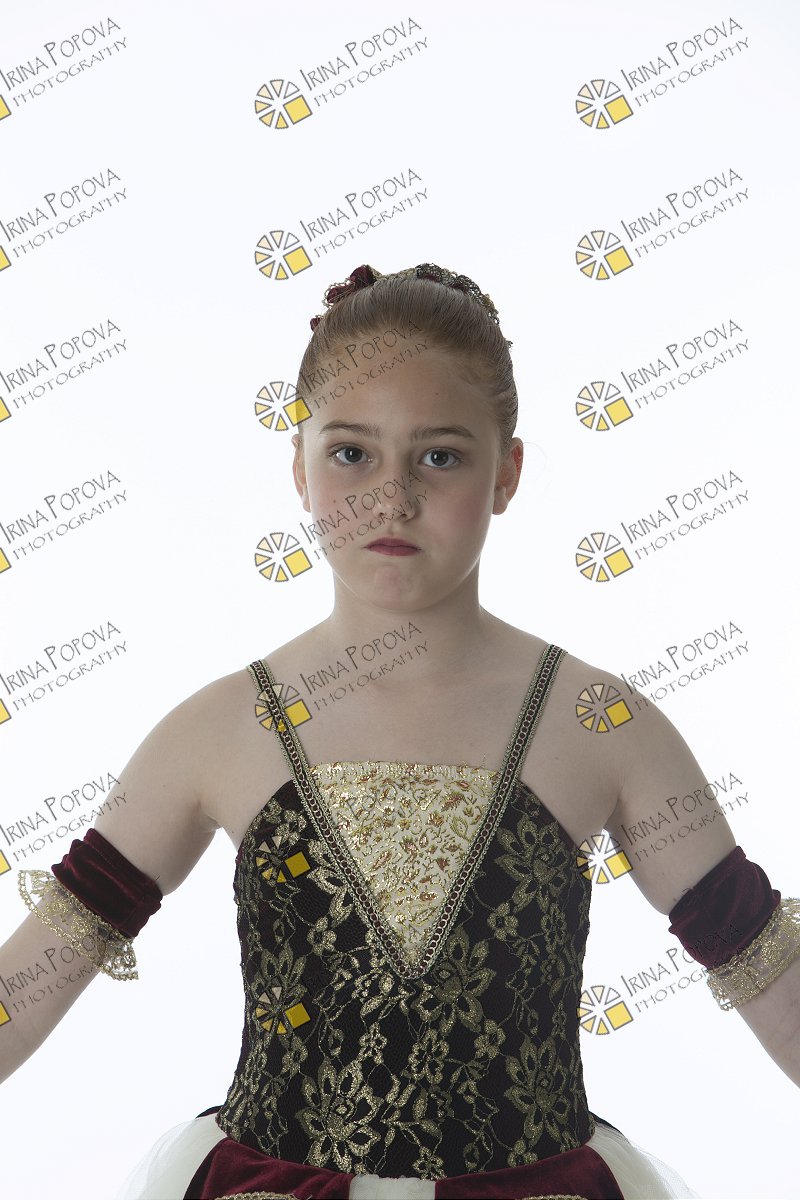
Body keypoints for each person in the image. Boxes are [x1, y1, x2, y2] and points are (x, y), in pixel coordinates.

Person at [2, 263, 798, 1200]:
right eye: (352, 453)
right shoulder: (216, 732)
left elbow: (772, 980)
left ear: (507, 473)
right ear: (299, 469)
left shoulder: (601, 726)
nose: (391, 498)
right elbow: (30, 985)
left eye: (440, 457)